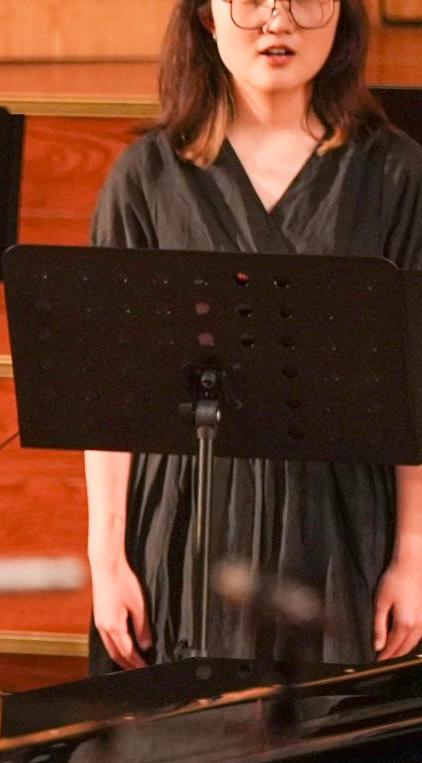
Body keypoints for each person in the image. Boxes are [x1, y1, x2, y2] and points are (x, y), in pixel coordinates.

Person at [87, 0, 422, 670]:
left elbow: (415, 384)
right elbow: (113, 389)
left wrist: (413, 554)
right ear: (207, 18)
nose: (278, 20)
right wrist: (107, 557)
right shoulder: (145, 176)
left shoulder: (396, 173)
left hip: (341, 519)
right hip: (186, 516)